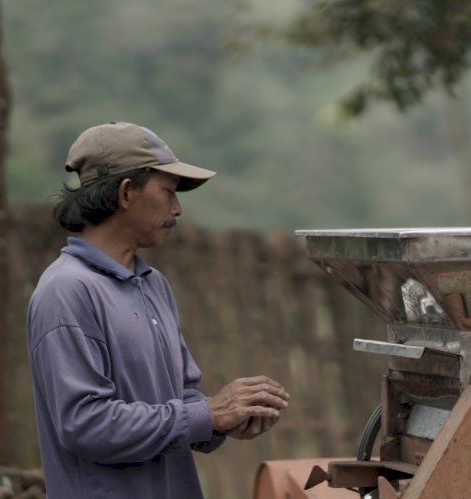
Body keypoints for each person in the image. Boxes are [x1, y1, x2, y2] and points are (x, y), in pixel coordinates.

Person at [26, 122, 290, 499]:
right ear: (126, 193)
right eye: (168, 192)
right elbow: (85, 425)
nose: (178, 209)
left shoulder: (152, 283)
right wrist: (209, 414)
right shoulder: (66, 291)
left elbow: (179, 397)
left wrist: (227, 419)